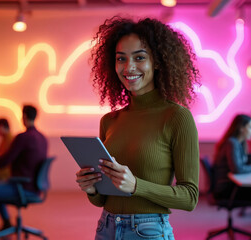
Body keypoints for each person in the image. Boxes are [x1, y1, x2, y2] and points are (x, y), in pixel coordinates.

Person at [75, 16, 200, 239]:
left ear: (158, 62)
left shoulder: (177, 117)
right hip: (106, 228)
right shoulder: (109, 121)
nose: (128, 67)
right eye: (120, 59)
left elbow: (189, 197)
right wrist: (92, 188)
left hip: (149, 231)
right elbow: (102, 200)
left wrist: (136, 186)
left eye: (139, 57)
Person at [0, 105, 48, 240]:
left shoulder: (23, 137)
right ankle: (6, 223)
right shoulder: (43, 138)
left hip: (20, 186)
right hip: (34, 187)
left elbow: (3, 161)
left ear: (23, 117)